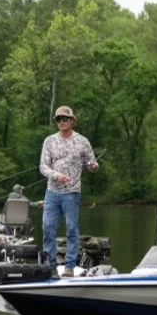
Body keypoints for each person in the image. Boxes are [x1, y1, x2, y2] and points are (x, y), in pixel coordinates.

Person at [39, 106, 99, 275]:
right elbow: (43, 166)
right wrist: (56, 175)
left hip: (72, 192)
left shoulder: (83, 141)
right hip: (52, 192)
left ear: (73, 121)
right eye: (59, 119)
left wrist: (94, 166)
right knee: (47, 227)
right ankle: (51, 267)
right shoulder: (49, 141)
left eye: (65, 119)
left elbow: (92, 163)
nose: (62, 122)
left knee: (72, 228)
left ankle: (69, 266)